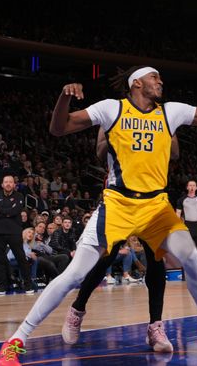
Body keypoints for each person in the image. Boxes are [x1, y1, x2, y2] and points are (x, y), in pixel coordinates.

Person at [0, 70, 197, 366]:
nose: (161, 81)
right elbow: (60, 128)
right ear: (137, 83)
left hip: (156, 205)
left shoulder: (170, 112)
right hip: (118, 203)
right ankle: (16, 339)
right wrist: (63, 97)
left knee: (191, 257)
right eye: (155, 77)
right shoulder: (112, 108)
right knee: (75, 273)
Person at [63, 126, 172, 349]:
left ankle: (155, 326)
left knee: (156, 260)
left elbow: (175, 152)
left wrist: (168, 131)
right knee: (106, 257)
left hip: (150, 199)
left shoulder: (158, 117)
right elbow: (100, 152)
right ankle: (78, 308)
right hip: (120, 200)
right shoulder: (114, 114)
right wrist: (120, 135)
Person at [0, 176, 33, 295]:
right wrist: (8, 211)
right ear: (2, 184)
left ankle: (28, 285)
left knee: (21, 258)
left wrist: (0, 210)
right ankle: (2, 286)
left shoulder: (19, 196)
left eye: (10, 182)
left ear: (14, 184)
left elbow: (16, 211)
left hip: (14, 231)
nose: (8, 184)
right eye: (6, 182)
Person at [177, 179, 197, 278]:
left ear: (196, 188)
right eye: (190, 185)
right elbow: (177, 214)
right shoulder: (181, 200)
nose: (191, 187)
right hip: (187, 226)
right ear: (187, 187)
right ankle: (184, 275)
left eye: (193, 185)